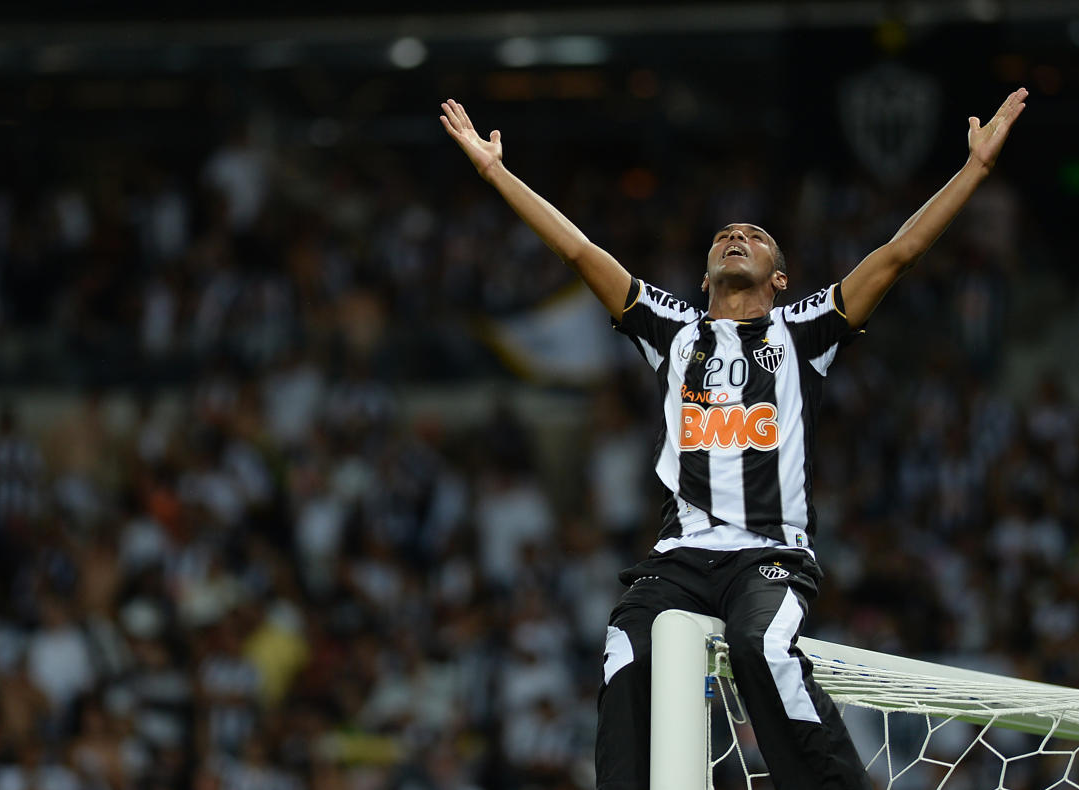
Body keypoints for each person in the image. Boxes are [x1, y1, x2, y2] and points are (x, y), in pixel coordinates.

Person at [440, 87, 1028, 790]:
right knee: (626, 648)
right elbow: (576, 249)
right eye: (723, 235)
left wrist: (974, 172)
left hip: (767, 555)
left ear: (779, 279)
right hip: (681, 557)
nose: (733, 235)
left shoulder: (802, 329)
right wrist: (493, 172)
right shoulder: (670, 327)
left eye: (752, 235)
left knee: (760, 646)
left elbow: (897, 253)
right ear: (702, 274)